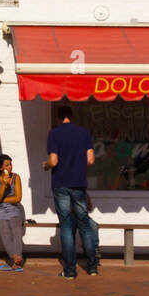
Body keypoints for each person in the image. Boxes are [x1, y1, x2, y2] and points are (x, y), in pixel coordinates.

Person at [43, 105, 98, 278]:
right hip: (79, 184)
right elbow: (90, 160)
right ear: (71, 116)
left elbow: (54, 160)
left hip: (61, 184)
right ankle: (92, 268)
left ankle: (70, 271)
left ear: (59, 118)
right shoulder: (84, 133)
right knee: (84, 224)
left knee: (66, 226)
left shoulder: (54, 134)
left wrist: (46, 165)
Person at [0, 154, 26, 270]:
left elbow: (18, 198)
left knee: (16, 229)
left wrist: (2, 200)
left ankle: (17, 258)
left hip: (13, 209)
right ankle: (15, 257)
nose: (10, 167)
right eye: (7, 165)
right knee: (5, 230)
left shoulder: (16, 177)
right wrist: (3, 184)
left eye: (10, 164)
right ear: (0, 168)